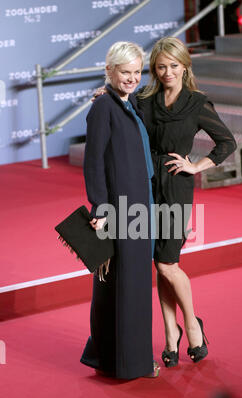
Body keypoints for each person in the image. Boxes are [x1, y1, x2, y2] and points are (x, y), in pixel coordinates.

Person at [94, 37, 237, 369]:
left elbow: (226, 142)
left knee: (167, 264)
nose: (168, 71)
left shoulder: (197, 102)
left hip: (176, 188)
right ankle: (170, 334)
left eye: (174, 65)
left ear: (185, 66)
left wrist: (196, 166)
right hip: (144, 186)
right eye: (161, 66)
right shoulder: (145, 99)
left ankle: (191, 325)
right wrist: (106, 94)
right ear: (154, 70)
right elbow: (121, 105)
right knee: (157, 261)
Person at [80, 41, 159, 379]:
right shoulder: (103, 108)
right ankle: (132, 363)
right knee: (128, 285)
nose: (131, 78)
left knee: (123, 284)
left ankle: (110, 357)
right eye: (124, 72)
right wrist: (99, 206)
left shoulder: (130, 104)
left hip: (140, 205)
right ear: (109, 71)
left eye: (136, 72)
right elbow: (93, 160)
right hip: (120, 210)